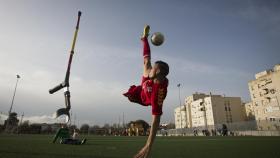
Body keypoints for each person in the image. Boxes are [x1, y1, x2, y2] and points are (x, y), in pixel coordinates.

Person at [123, 25, 169, 158]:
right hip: (143, 87)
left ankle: (137, 94)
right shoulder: (150, 74)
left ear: (159, 72)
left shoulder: (158, 92)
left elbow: (156, 120)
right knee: (146, 61)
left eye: (154, 68)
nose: (150, 68)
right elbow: (147, 60)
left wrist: (148, 144)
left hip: (145, 98)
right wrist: (145, 40)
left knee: (146, 67)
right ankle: (144, 38)